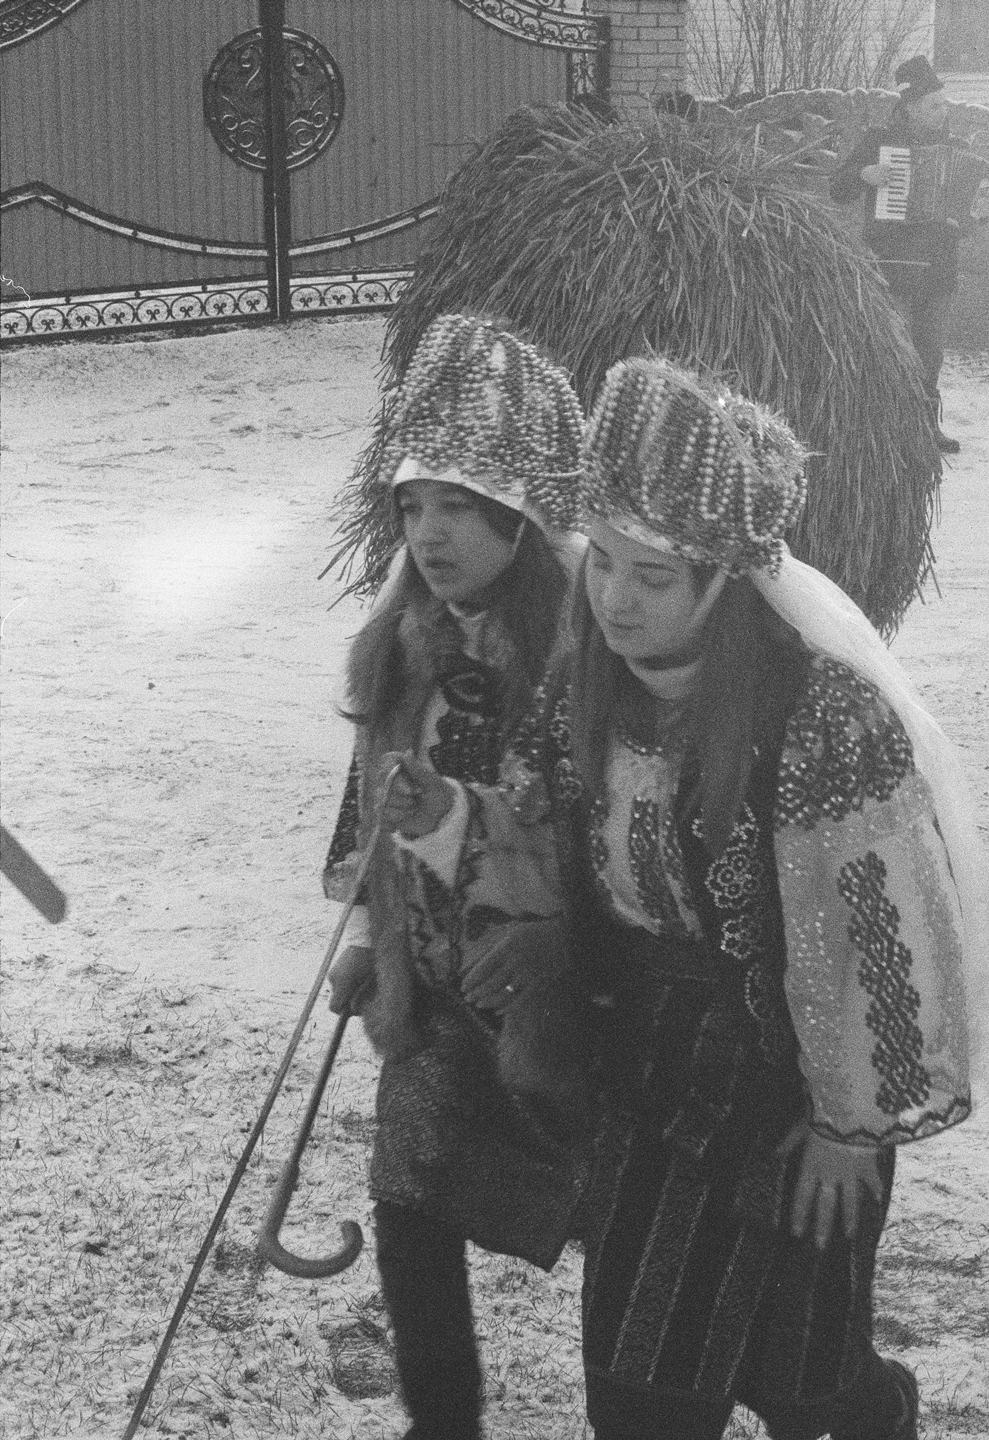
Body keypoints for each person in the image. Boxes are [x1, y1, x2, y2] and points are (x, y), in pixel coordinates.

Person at [381, 357, 989, 1437]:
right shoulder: (583, 689)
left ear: (723, 581)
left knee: (805, 1382)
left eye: (652, 578)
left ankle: (872, 1411)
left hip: (790, 1086)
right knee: (643, 1382)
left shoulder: (820, 718)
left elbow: (877, 926)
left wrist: (851, 1126)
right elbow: (537, 846)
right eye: (603, 565)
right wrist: (446, 819)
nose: (614, 600)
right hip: (651, 1077)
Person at [320, 313, 588, 1438]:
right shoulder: (401, 645)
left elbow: (594, 843)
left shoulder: (584, 653)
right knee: (408, 1202)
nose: (429, 535)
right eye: (413, 506)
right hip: (430, 991)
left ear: (520, 520)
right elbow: (373, 809)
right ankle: (444, 1425)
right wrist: (374, 936)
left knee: (604, 1215)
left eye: (460, 508)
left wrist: (464, 830)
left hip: (557, 1001)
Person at [832, 54, 984, 454]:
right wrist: (864, 175)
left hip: (937, 263)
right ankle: (886, 428)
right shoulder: (879, 143)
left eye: (943, 103)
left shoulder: (956, 149)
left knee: (930, 350)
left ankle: (924, 428)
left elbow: (968, 211)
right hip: (893, 259)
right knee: (895, 349)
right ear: (912, 108)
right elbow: (839, 188)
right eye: (935, 105)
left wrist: (965, 220)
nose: (944, 111)